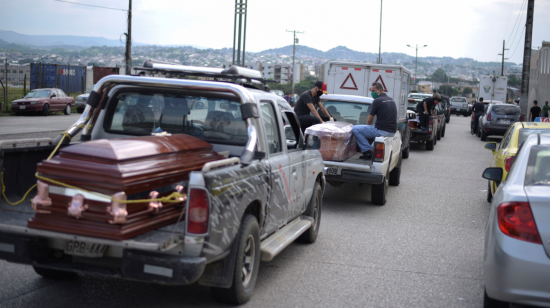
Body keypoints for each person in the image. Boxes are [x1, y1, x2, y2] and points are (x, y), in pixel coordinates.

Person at [351, 82, 397, 160]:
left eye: (374, 91)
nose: (372, 93)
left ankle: (366, 151)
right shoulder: (391, 99)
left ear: (381, 90)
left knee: (355, 129)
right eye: (371, 91)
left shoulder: (377, 101)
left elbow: (369, 120)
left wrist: (367, 130)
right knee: (373, 138)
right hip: (392, 131)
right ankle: (370, 149)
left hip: (381, 130)